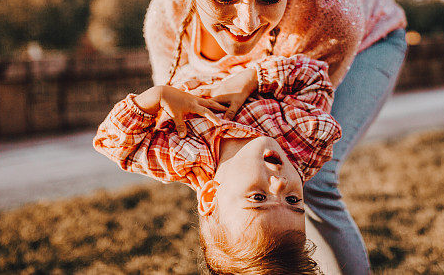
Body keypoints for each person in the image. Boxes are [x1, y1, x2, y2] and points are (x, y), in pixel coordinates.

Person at [144, 0, 408, 274]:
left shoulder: (331, 10)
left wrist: (252, 76)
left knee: (310, 179)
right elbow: (193, 133)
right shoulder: (166, 21)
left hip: (371, 40)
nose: (246, 23)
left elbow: (304, 105)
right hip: (283, 63)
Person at [94, 53, 339, 274]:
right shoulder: (306, 142)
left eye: (258, 198)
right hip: (254, 37)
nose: (279, 184)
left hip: (193, 50)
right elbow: (316, 78)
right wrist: (255, 77)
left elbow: (113, 143)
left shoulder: (183, 154)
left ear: (211, 196)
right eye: (293, 200)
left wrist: (157, 96)